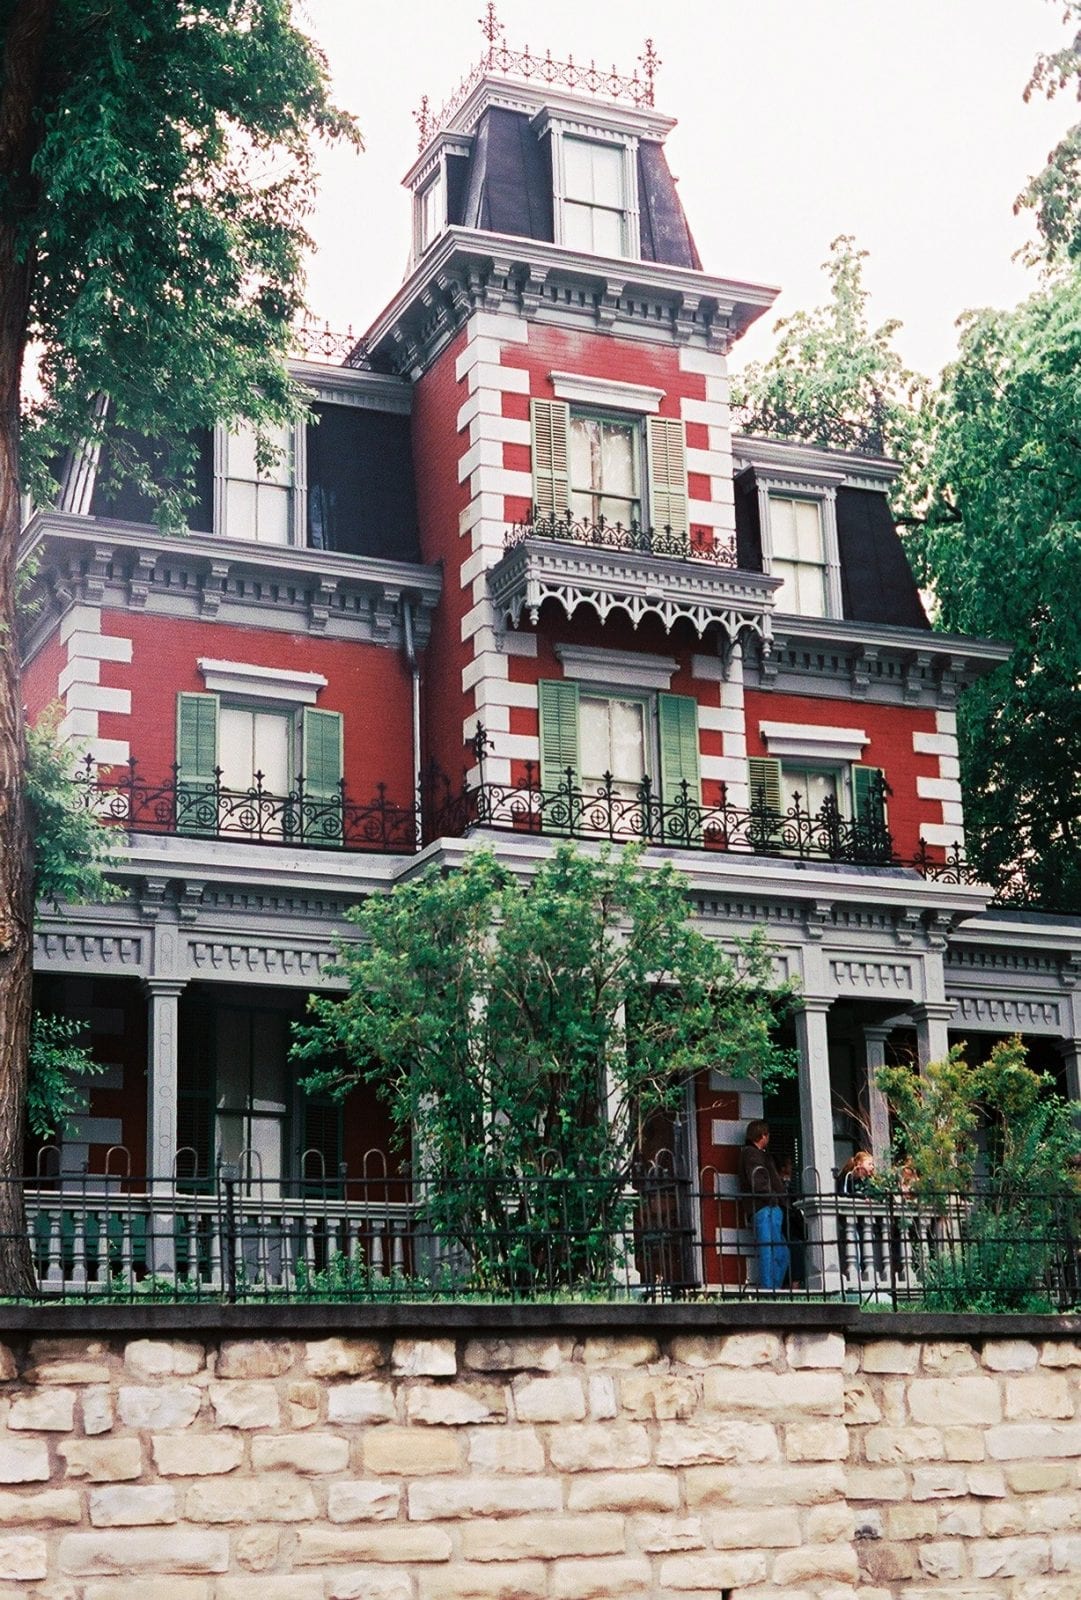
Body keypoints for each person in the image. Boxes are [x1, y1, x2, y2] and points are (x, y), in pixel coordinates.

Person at [739, 1119, 790, 1291]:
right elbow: (758, 1181)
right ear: (762, 1135)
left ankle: (773, 1288)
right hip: (764, 1208)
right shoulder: (751, 1154)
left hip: (769, 1207)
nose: (768, 1138)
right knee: (770, 1252)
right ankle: (769, 1290)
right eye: (767, 1134)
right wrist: (773, 1198)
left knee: (781, 1253)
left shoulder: (758, 1154)